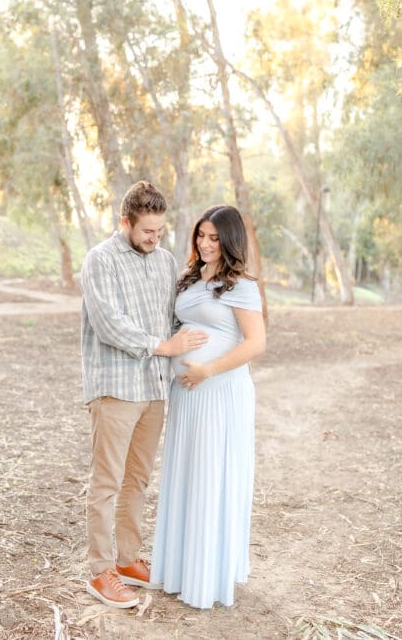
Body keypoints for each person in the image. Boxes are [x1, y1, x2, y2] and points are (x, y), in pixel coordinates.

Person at [80, 181, 209, 609]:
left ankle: (127, 559)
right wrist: (163, 346)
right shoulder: (100, 260)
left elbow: (170, 317)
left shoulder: (165, 261)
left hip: (154, 389)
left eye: (160, 231)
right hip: (116, 389)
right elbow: (108, 323)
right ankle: (100, 572)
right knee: (106, 482)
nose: (155, 239)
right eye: (147, 232)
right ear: (126, 222)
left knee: (137, 480)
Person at [149, 204, 267, 609]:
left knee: (211, 474)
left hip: (220, 392)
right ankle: (181, 568)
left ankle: (207, 575)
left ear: (230, 240)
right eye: (201, 235)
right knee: (187, 474)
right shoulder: (189, 279)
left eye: (215, 238)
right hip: (187, 395)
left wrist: (208, 370)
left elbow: (256, 343)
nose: (205, 243)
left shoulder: (241, 285)